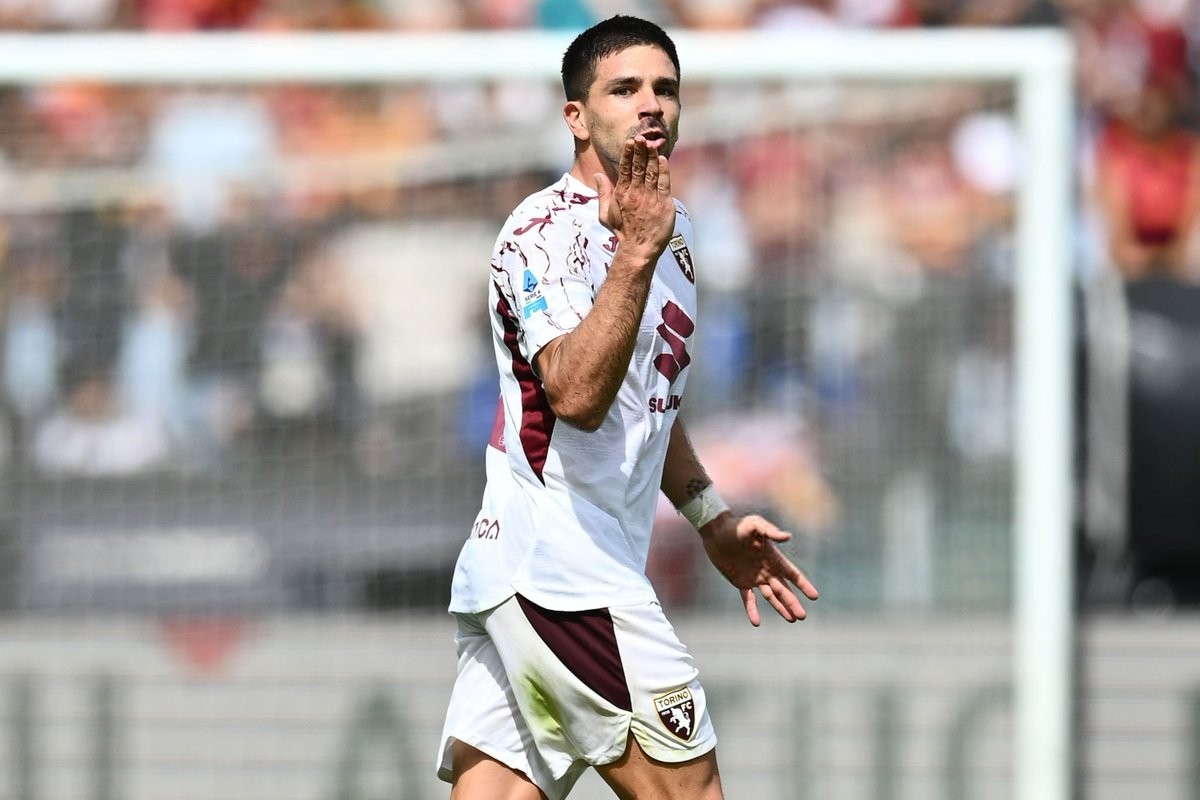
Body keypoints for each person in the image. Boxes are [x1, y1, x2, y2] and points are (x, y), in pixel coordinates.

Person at [436, 15, 819, 800]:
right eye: (624, 89)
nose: (651, 104)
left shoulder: (675, 235)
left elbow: (649, 408)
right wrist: (636, 253)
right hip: (562, 576)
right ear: (576, 116)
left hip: (545, 575)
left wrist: (710, 517)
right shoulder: (540, 235)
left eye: (665, 89)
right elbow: (576, 396)